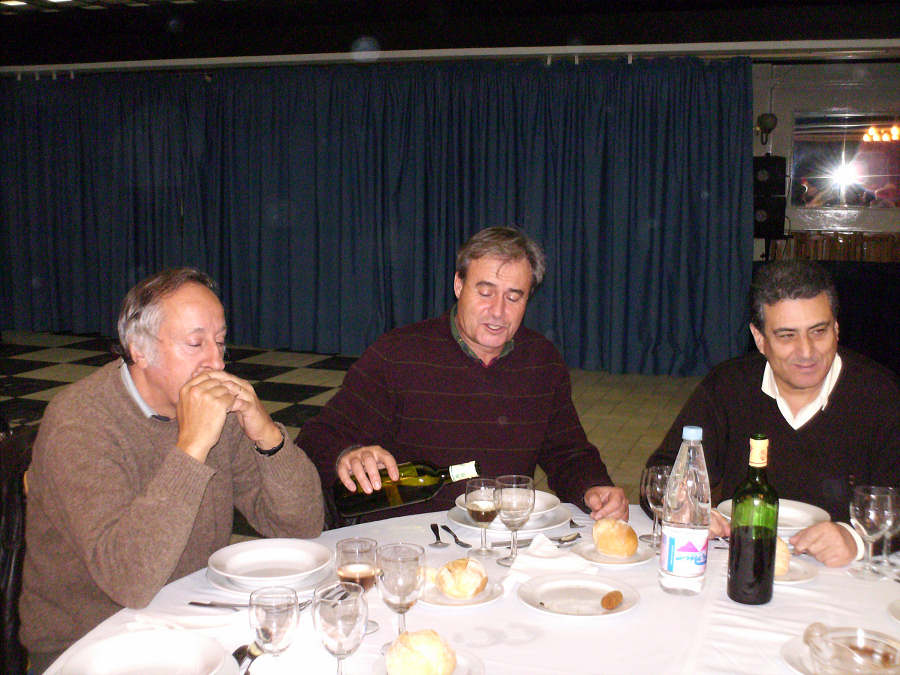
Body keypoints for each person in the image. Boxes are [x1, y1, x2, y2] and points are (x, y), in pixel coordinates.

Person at [19, 268, 324, 672]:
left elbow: (301, 527)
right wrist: (192, 447)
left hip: (193, 620)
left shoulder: (216, 408)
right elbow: (130, 580)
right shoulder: (80, 423)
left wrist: (267, 435)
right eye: (195, 344)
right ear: (139, 351)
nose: (216, 362)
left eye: (220, 342)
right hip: (90, 645)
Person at [300, 226, 627, 524]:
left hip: (500, 535)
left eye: (514, 297)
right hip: (410, 537)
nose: (498, 311)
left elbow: (566, 451)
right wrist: (348, 455)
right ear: (459, 285)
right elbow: (316, 438)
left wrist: (593, 486)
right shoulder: (398, 355)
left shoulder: (542, 362)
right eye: (485, 292)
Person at [645, 260, 899, 567]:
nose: (806, 352)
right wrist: (684, 508)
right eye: (787, 336)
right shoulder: (729, 386)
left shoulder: (882, 396)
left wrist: (855, 540)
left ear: (836, 328)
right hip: (741, 563)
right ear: (760, 339)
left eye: (818, 331)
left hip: (842, 572)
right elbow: (662, 473)